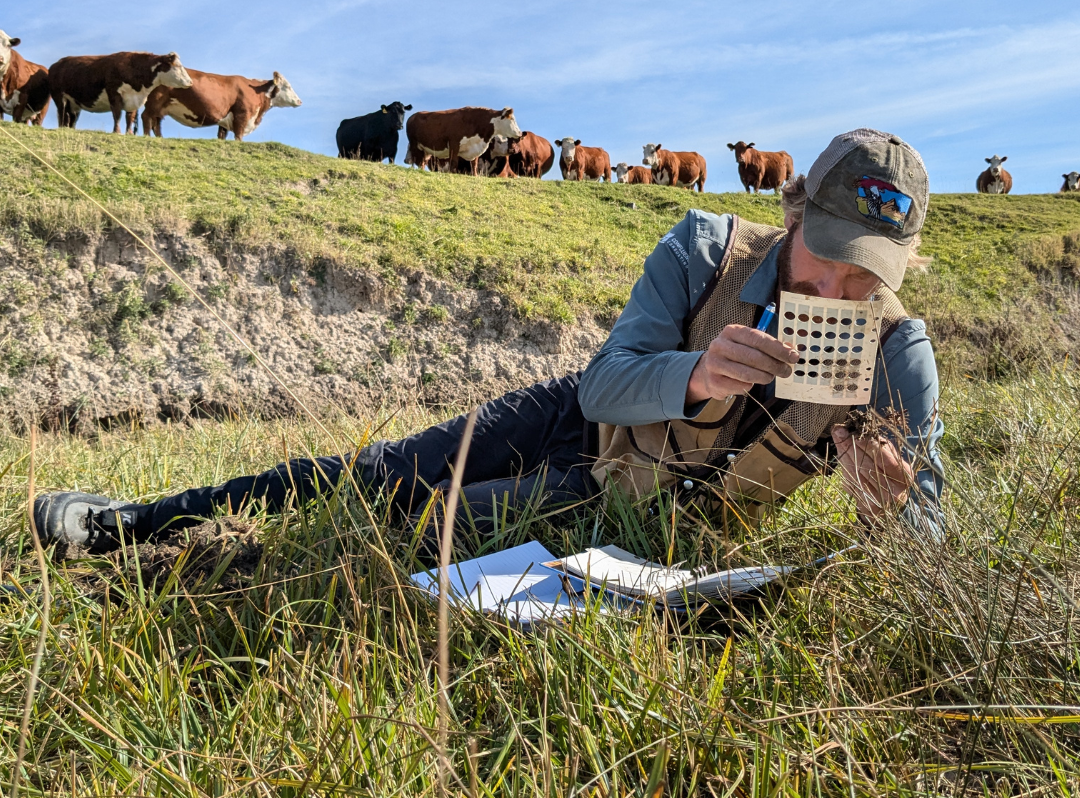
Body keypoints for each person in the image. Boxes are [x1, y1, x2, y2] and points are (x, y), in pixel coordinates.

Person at [34, 128, 943, 553]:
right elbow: (604, 385)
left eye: (868, 278)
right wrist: (696, 374)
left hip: (641, 524)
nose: (837, 292)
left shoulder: (901, 358)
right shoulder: (706, 248)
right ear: (792, 217)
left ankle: (197, 568)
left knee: (424, 536)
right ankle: (132, 524)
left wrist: (893, 513)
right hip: (575, 426)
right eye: (823, 259)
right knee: (376, 471)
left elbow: (930, 538)